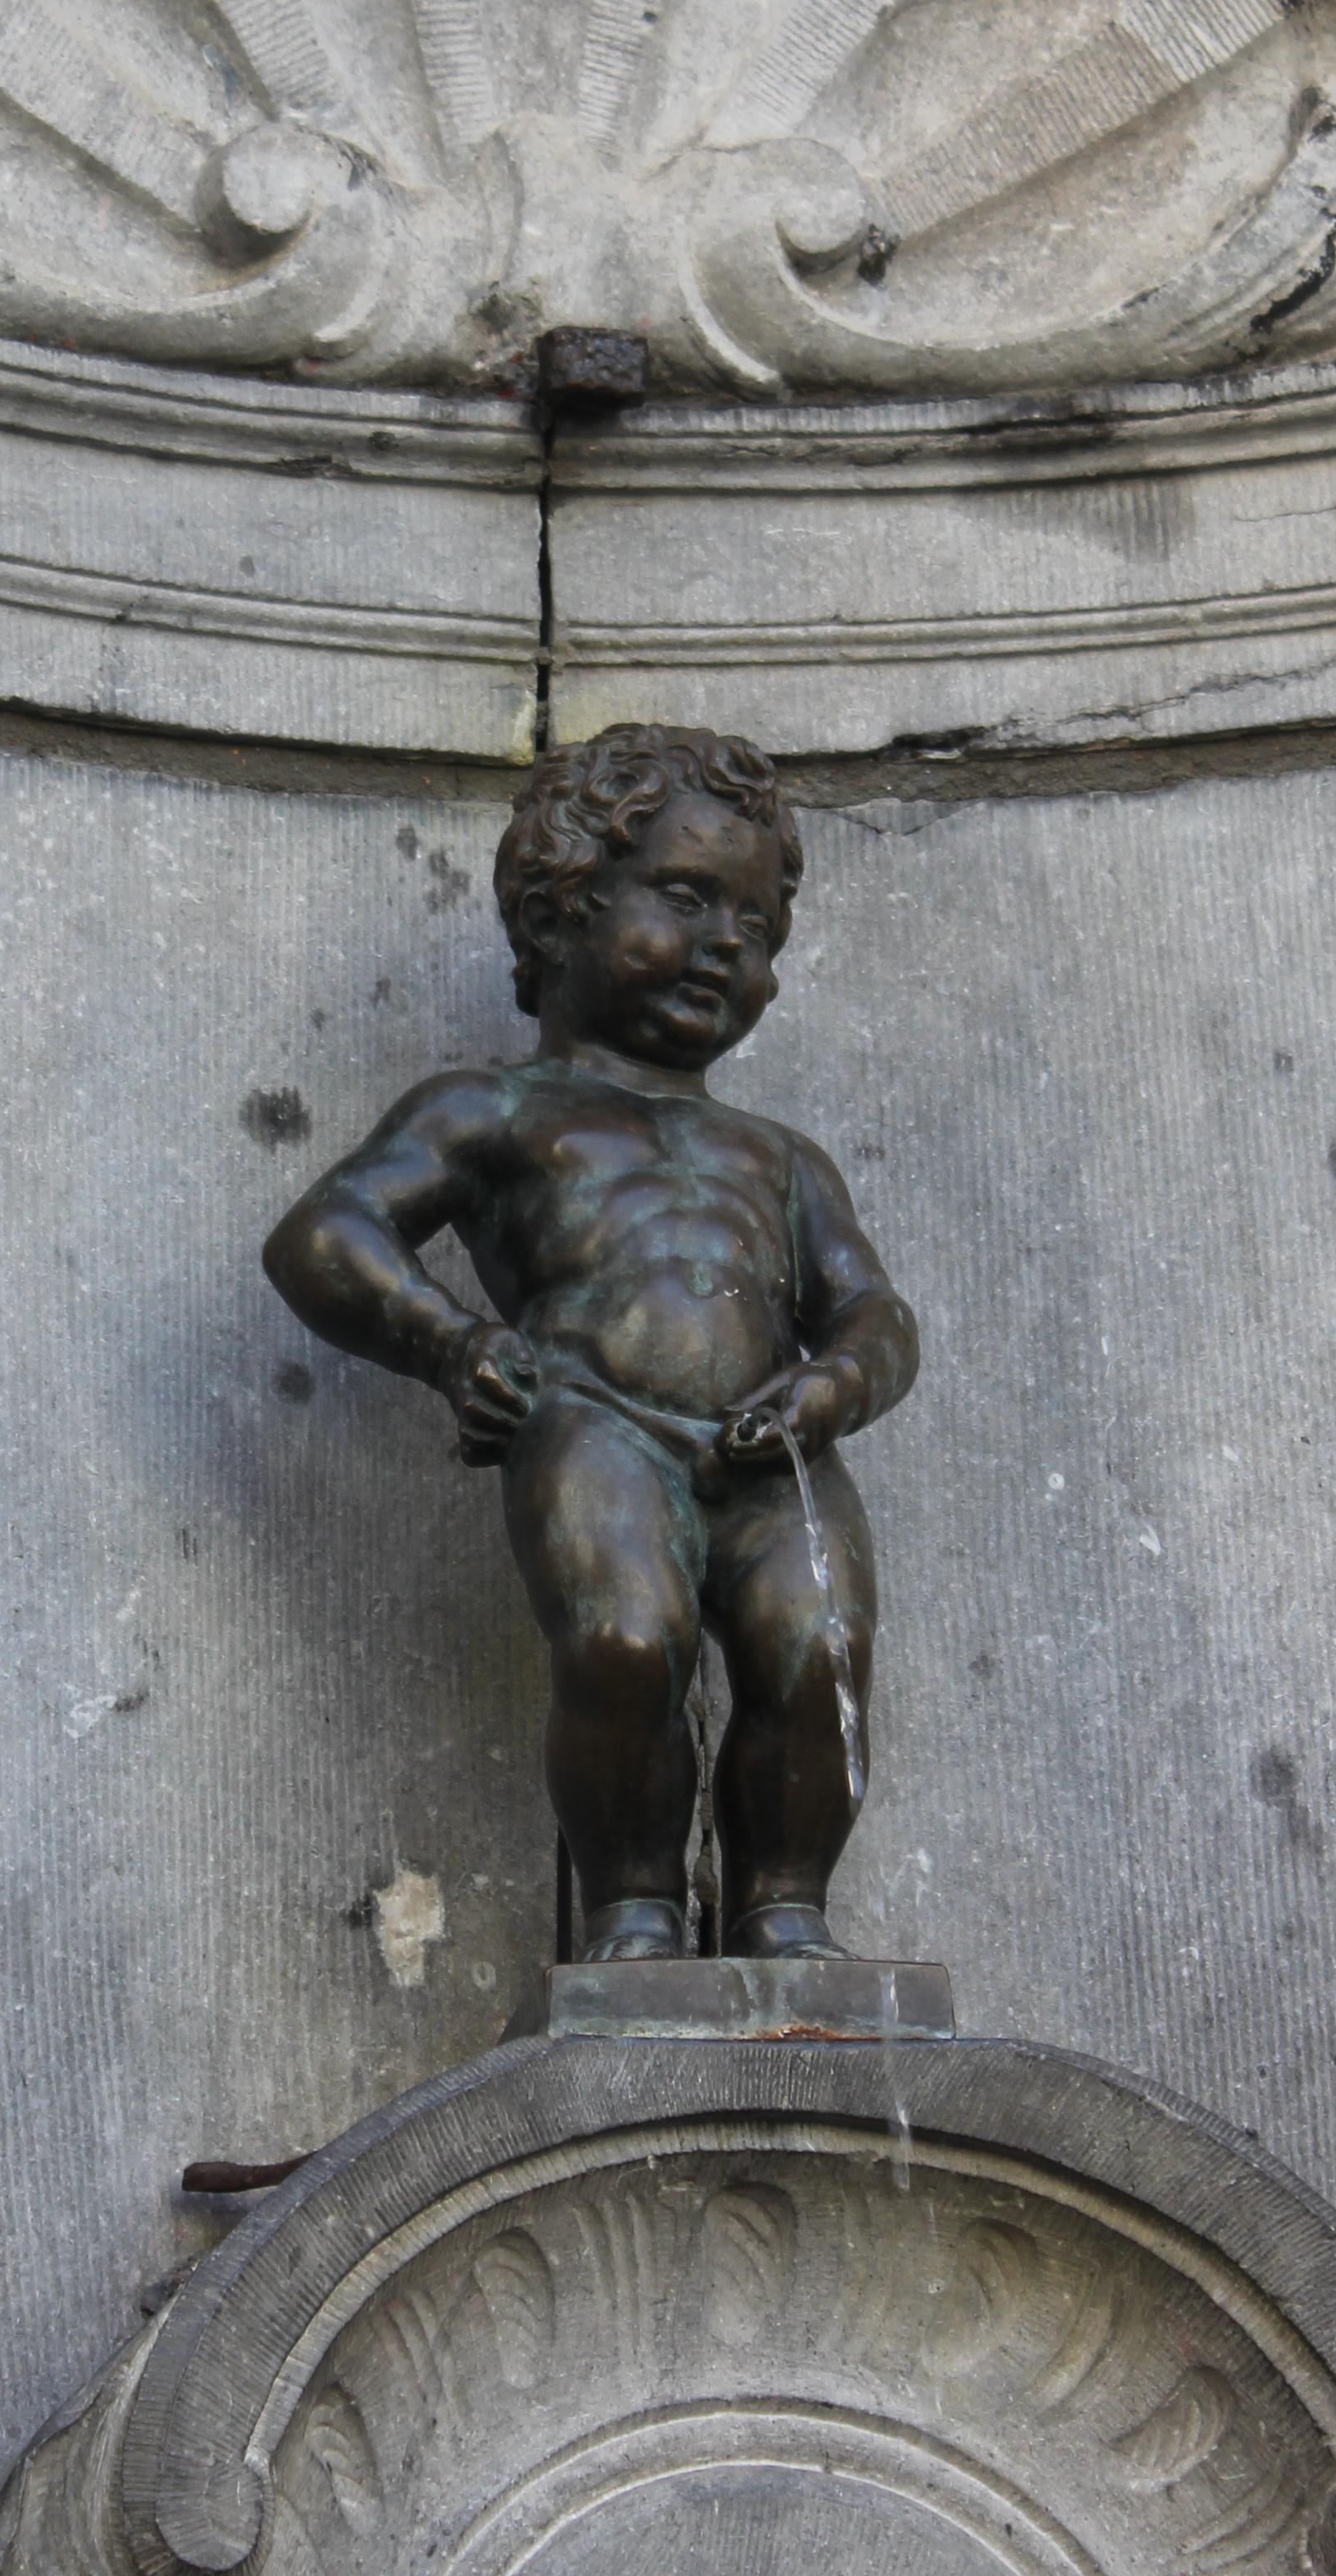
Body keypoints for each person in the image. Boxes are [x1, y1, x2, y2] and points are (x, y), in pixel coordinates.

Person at [264, 724, 919, 1963]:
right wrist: (452, 1344)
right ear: (565, 902)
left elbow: (878, 1315)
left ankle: (785, 1909)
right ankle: (634, 1910)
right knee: (626, 1640)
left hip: (777, 1446)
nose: (728, 941)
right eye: (685, 896)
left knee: (820, 1647)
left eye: (760, 927)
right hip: (595, 1420)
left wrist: (833, 1386)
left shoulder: (778, 1159)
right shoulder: (497, 1111)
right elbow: (327, 1232)